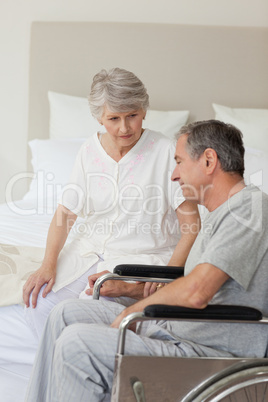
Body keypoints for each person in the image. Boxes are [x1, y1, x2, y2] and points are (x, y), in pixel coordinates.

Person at [25, 119, 268, 402]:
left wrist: (131, 312)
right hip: (173, 328)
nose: (174, 175)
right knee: (64, 314)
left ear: (209, 160)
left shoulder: (249, 211)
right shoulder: (221, 213)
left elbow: (197, 290)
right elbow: (192, 282)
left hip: (205, 352)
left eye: (179, 162)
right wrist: (129, 290)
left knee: (77, 344)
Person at [22, 68, 200, 339]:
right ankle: (60, 374)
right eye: (113, 118)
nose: (124, 128)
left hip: (143, 257)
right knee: (36, 306)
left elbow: (192, 224)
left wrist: (167, 276)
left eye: (132, 116)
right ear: (99, 118)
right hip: (87, 253)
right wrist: (48, 264)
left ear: (144, 110)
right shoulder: (88, 150)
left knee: (87, 316)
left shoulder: (166, 151)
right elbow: (66, 212)